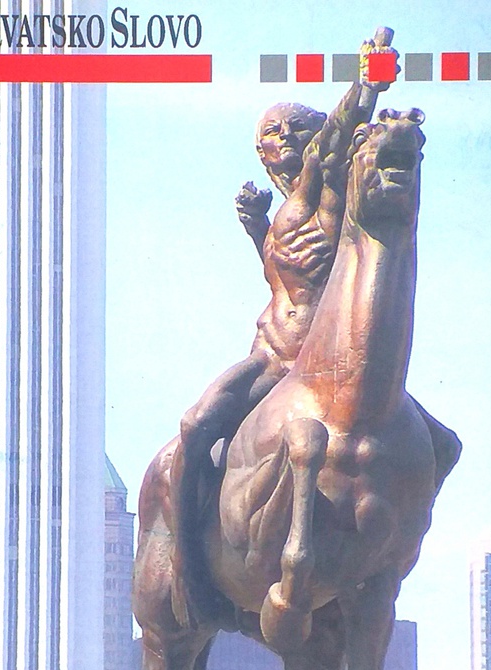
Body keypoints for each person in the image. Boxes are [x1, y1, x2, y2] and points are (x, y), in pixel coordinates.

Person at [169, 30, 397, 629]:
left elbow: (341, 131)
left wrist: (366, 85)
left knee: (436, 444)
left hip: (313, 361)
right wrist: (257, 231)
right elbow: (288, 283)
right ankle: (193, 558)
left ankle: (390, 553)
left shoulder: (326, 192)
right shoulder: (290, 210)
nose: (274, 144)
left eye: (286, 131)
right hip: (269, 351)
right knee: (196, 425)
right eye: (265, 137)